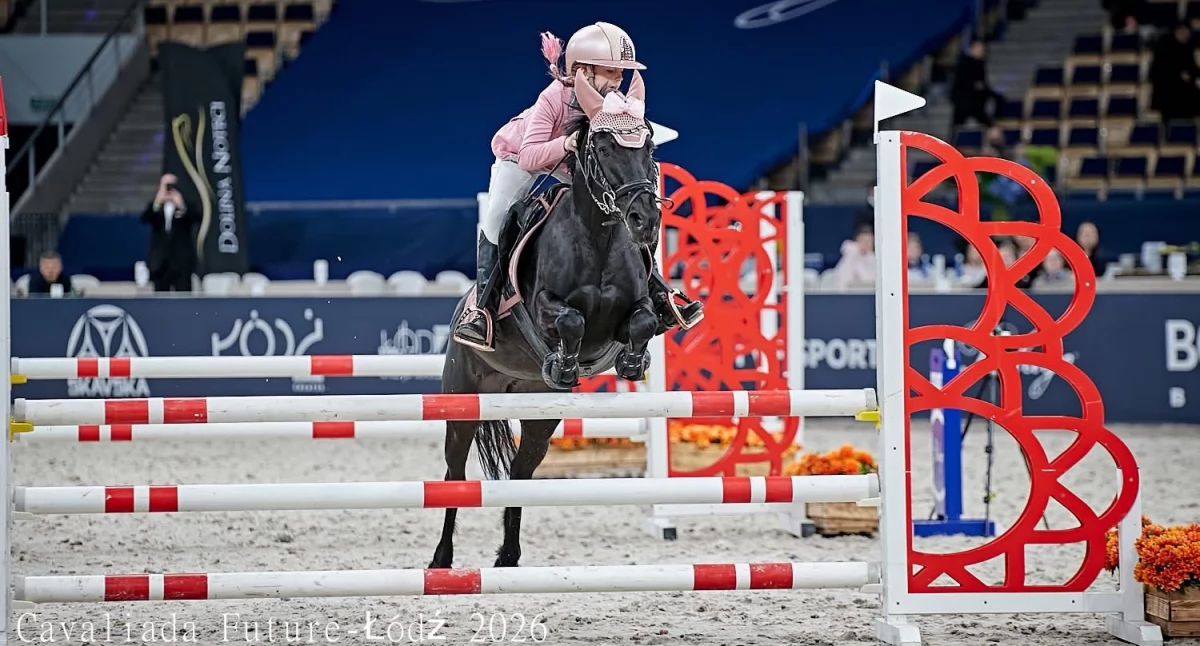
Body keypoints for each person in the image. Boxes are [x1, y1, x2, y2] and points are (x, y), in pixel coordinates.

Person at [453, 22, 701, 351]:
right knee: (498, 216)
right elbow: (529, 156)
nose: (618, 81)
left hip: (572, 165)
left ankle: (658, 292)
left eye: (622, 74)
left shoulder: (615, 105)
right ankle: (481, 308)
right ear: (583, 69)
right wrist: (566, 144)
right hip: (521, 158)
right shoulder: (554, 97)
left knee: (623, 208)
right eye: (611, 72)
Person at [141, 173, 198, 292]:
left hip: (182, 263)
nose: (169, 189)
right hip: (160, 264)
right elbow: (145, 218)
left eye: (172, 185)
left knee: (184, 299)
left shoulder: (187, 205)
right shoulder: (156, 207)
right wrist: (158, 200)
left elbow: (197, 217)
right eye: (167, 185)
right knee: (160, 301)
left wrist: (181, 205)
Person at [1149, 22, 1200, 123]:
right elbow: (1159, 71)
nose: (1186, 35)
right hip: (1168, 94)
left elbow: (1192, 68)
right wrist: (1179, 75)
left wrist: (1190, 75)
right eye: (1183, 32)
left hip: (1185, 95)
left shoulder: (1187, 47)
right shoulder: (1164, 46)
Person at [950, 39, 1004, 130]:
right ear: (972, 48)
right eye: (979, 48)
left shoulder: (980, 64)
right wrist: (974, 85)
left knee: (988, 117)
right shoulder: (964, 63)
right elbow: (961, 81)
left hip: (976, 100)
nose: (981, 51)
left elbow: (982, 83)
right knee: (958, 125)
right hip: (964, 100)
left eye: (982, 49)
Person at [833, 223, 876, 290]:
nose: (867, 244)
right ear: (858, 240)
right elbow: (844, 281)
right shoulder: (849, 255)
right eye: (865, 241)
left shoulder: (873, 259)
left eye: (870, 241)